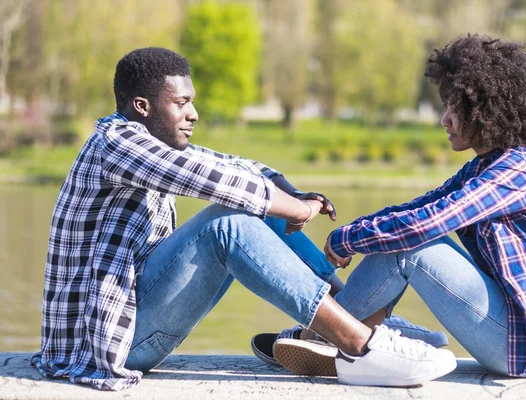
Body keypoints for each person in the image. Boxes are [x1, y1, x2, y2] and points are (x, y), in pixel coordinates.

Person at [31, 47, 457, 391]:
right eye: (181, 104)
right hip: (104, 344)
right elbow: (205, 178)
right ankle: (361, 346)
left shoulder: (149, 143)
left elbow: (226, 162)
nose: (193, 113)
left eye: (191, 102)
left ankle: (352, 314)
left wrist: (284, 187)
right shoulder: (116, 145)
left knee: (254, 207)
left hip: (132, 322)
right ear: (141, 106)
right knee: (228, 223)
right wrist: (293, 207)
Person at [268, 34, 526, 379]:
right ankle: (366, 335)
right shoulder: (485, 168)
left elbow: (424, 224)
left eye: (456, 109)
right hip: (517, 335)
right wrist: (355, 230)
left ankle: (321, 334)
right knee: (397, 235)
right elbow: (414, 209)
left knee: (409, 246)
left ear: (489, 112)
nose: (445, 120)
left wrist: (349, 239)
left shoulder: (518, 172)